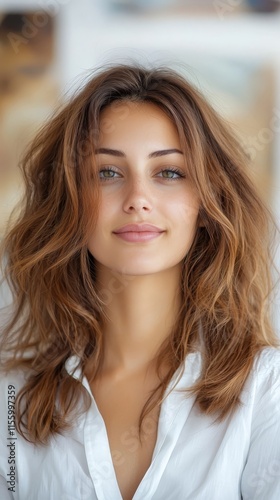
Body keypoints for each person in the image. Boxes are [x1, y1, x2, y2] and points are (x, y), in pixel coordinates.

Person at [0, 63, 279, 500]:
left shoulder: (266, 390)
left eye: (169, 172)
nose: (138, 200)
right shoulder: (9, 398)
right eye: (107, 172)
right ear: (70, 200)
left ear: (206, 204)